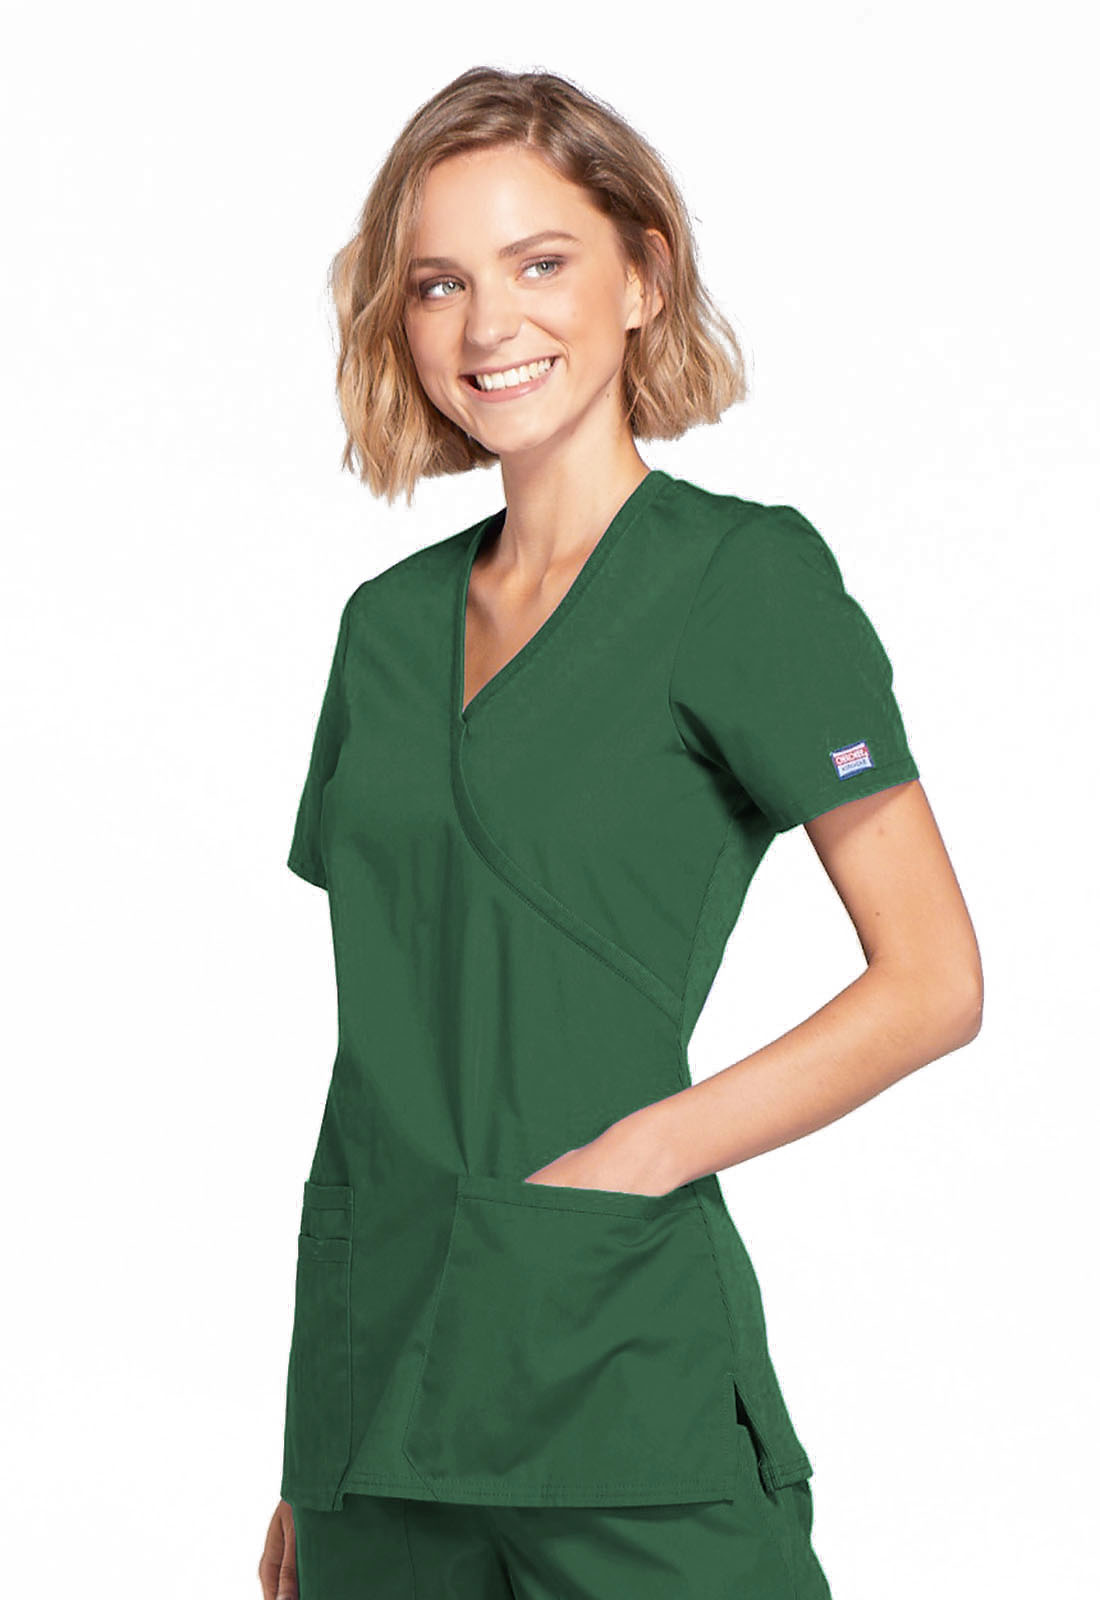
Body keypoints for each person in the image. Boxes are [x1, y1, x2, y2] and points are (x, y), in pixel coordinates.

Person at [257, 65, 982, 1600]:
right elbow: (383, 1048)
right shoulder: (383, 629)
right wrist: (308, 1452)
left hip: (614, 1359)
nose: (488, 325)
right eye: (439, 283)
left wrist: (642, 1154)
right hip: (375, 1394)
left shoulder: (740, 583)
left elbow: (933, 981)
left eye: (541, 263)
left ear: (643, 277)